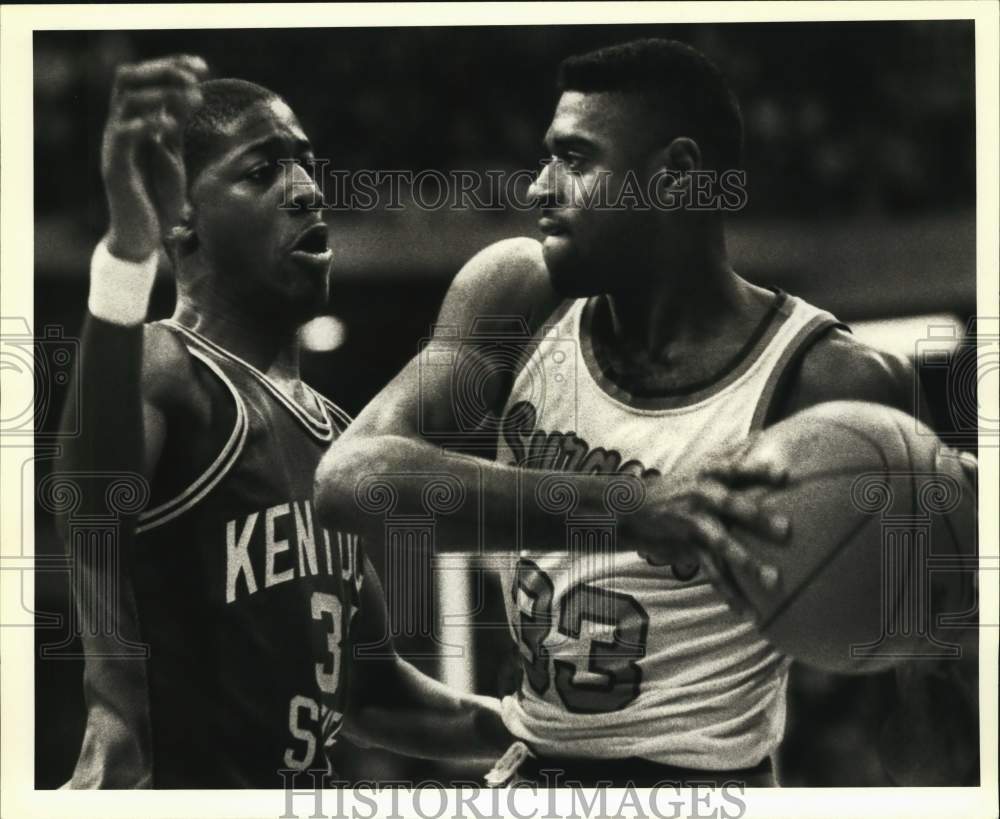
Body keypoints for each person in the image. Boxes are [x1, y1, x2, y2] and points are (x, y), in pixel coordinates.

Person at [313, 38, 977, 787]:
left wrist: (944, 604)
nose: (539, 186)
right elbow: (349, 480)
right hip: (532, 774)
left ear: (676, 174)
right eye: (546, 156)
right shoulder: (516, 295)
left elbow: (933, 718)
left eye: (575, 159)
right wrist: (633, 509)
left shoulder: (829, 379)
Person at [56, 55, 508, 789]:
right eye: (262, 170)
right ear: (181, 216)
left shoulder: (336, 433)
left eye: (305, 164)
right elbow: (89, 498)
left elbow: (372, 695)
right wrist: (126, 259)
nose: (305, 188)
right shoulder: (167, 366)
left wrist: (537, 730)